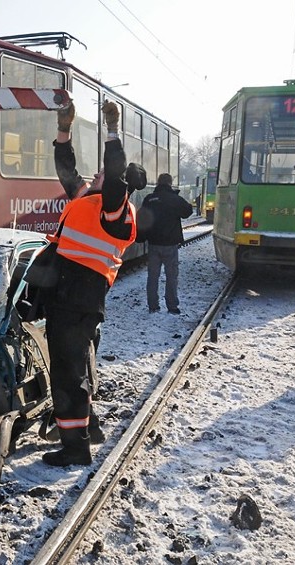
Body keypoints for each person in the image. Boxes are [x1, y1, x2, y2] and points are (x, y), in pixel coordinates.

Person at [39, 100, 147, 467]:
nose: (95, 176)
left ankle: (74, 448)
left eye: (101, 174)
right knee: (77, 367)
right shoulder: (87, 199)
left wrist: (112, 128)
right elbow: (65, 168)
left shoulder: (115, 211)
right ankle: (90, 427)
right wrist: (63, 128)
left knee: (68, 375)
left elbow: (115, 173)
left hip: (78, 300)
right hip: (69, 296)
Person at [137, 173, 193, 314]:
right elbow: (188, 211)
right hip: (170, 245)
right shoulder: (174, 199)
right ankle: (172, 306)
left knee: (153, 276)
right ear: (170, 183)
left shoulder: (149, 199)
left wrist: (141, 237)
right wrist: (176, 196)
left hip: (154, 244)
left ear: (157, 183)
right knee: (171, 276)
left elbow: (142, 219)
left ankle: (153, 306)